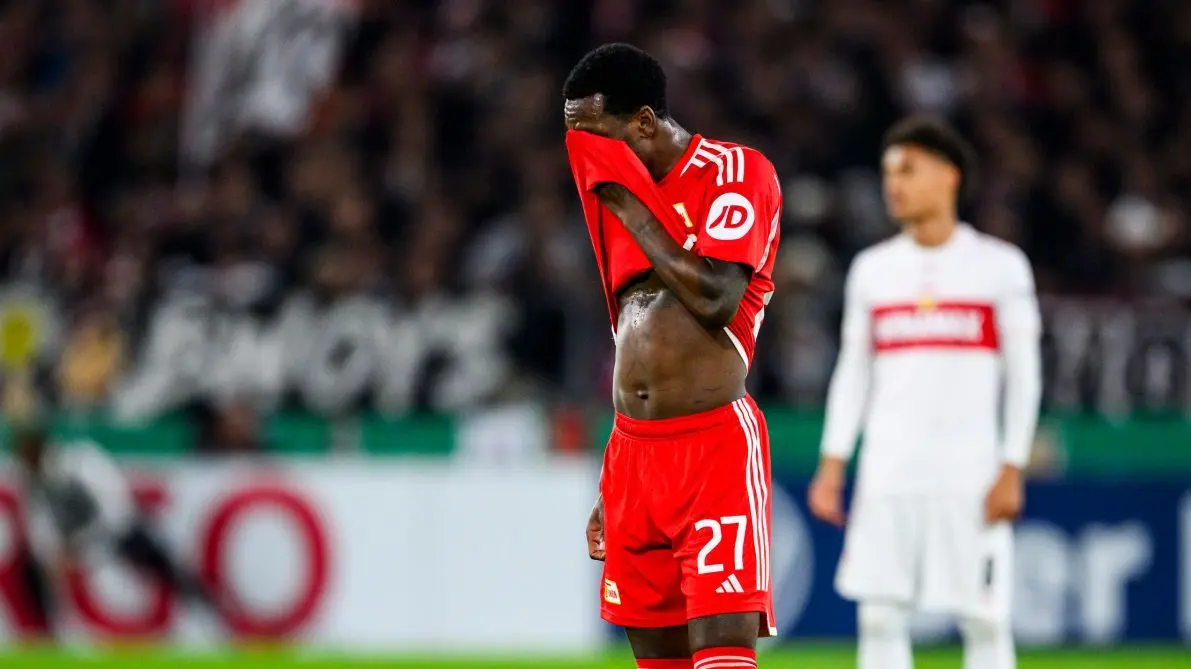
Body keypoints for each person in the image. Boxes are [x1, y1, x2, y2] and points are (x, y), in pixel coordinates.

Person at [563, 44, 783, 669]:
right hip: (634, 455)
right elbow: (633, 338)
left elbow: (716, 297)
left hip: (711, 446)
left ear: (642, 123)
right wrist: (612, 476)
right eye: (574, 137)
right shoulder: (614, 198)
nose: (584, 155)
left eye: (595, 136)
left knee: (721, 656)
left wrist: (624, 200)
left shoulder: (737, 172)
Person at [808, 116, 1042, 669]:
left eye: (908, 170)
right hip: (888, 473)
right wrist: (833, 463)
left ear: (949, 176)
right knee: (880, 616)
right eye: (889, 172)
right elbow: (853, 372)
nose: (894, 185)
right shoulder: (872, 270)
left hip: (971, 473)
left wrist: (1012, 464)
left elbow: (1024, 375)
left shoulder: (999, 267)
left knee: (984, 618)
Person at [11, 420, 221, 636]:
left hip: (114, 532)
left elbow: (113, 503)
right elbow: (40, 530)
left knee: (164, 562)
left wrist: (80, 545)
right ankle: (43, 635)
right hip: (78, 547)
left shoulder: (78, 460)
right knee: (32, 575)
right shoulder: (34, 484)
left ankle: (210, 618)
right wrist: (54, 556)